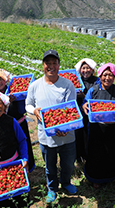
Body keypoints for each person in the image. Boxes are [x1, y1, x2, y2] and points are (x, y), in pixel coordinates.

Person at [25, 49, 77, 203]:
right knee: (50, 166)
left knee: (68, 164)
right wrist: (34, 110)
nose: (51, 66)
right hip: (45, 135)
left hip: (66, 133)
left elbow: (70, 109)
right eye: (48, 63)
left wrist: (64, 127)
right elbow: (27, 104)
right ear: (43, 65)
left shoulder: (67, 84)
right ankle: (52, 188)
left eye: (54, 63)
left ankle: (66, 182)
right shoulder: (35, 86)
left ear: (59, 65)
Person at [82, 63, 115, 189]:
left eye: (111, 75)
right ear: (100, 76)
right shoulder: (93, 90)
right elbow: (86, 104)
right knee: (97, 153)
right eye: (105, 75)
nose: (107, 78)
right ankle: (96, 178)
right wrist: (84, 106)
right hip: (97, 129)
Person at [0, 69, 35, 172]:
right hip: (8, 128)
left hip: (20, 124)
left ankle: (28, 168)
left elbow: (22, 109)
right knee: (14, 148)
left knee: (25, 145)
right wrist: (6, 103)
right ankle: (18, 170)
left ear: (6, 79)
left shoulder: (14, 90)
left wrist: (17, 99)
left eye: (1, 79)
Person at [74, 58, 100, 164]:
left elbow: (98, 98)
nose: (85, 70)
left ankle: (89, 156)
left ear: (92, 70)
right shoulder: (77, 81)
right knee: (78, 134)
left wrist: (83, 96)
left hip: (92, 113)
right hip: (78, 112)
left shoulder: (97, 81)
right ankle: (79, 157)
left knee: (89, 134)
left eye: (88, 68)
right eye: (83, 68)